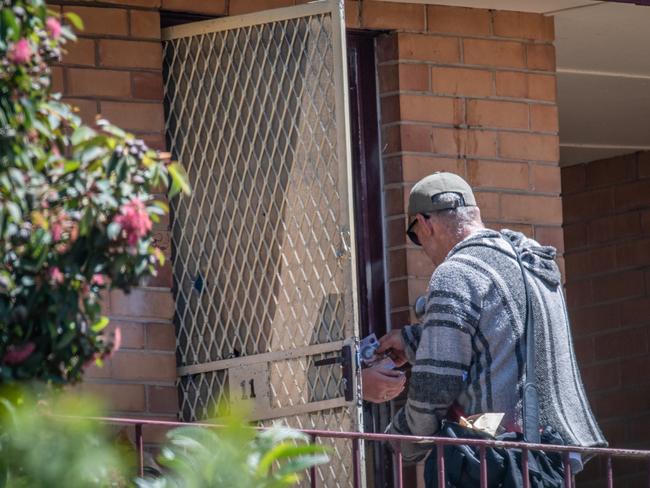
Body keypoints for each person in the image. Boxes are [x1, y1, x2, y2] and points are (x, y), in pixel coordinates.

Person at [362, 172, 606, 465]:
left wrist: (402, 439)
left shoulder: (455, 272)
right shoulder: (529, 261)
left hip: (500, 458)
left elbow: (436, 385)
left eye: (415, 237)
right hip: (556, 455)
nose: (424, 251)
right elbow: (502, 329)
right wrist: (414, 341)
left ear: (425, 224)